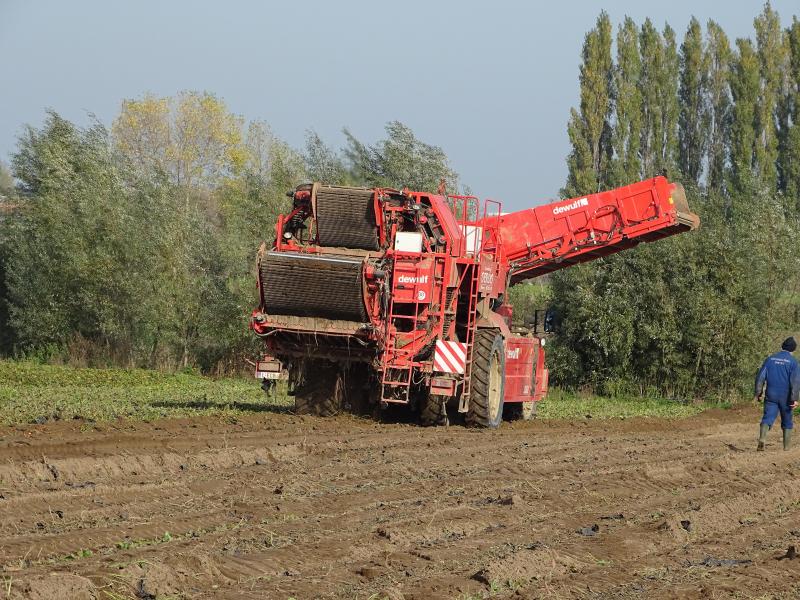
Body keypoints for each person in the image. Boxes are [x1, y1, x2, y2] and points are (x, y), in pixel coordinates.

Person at [754, 337, 800, 451]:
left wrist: (758, 392)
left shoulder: (770, 359)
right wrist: (794, 398)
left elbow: (760, 377)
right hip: (786, 396)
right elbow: (795, 382)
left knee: (767, 417)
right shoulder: (793, 362)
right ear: (793, 349)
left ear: (782, 347)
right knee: (787, 421)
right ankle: (786, 448)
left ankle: (762, 439)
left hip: (771, 394)